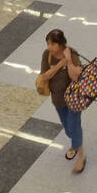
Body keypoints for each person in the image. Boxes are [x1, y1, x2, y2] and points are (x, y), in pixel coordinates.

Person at [37, 29, 85, 173]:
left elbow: (76, 76)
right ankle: (75, 145)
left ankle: (80, 156)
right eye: (48, 44)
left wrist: (68, 60)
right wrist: (59, 64)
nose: (49, 47)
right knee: (69, 129)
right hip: (58, 98)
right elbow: (44, 76)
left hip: (74, 98)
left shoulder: (72, 53)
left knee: (74, 126)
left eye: (52, 44)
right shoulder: (48, 55)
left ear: (60, 43)